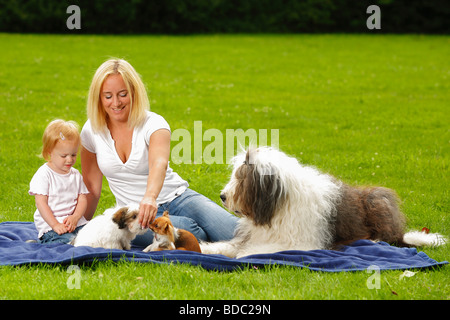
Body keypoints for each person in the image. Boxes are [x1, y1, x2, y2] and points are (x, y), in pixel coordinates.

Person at [80, 58, 238, 245]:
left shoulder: (154, 124)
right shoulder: (91, 130)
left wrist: (150, 197)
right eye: (107, 96)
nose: (115, 103)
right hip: (137, 216)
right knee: (195, 236)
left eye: (123, 94)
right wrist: (82, 225)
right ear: (98, 97)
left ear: (134, 92)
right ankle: (203, 235)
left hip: (178, 198)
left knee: (236, 231)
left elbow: (159, 163)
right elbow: (91, 187)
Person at [29, 119, 89, 244]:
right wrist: (55, 224)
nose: (69, 160)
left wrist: (76, 217)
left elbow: (82, 199)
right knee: (66, 242)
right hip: (52, 228)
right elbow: (41, 203)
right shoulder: (44, 174)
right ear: (49, 152)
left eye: (73, 155)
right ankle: (43, 243)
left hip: (75, 224)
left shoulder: (75, 175)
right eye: (64, 156)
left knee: (93, 234)